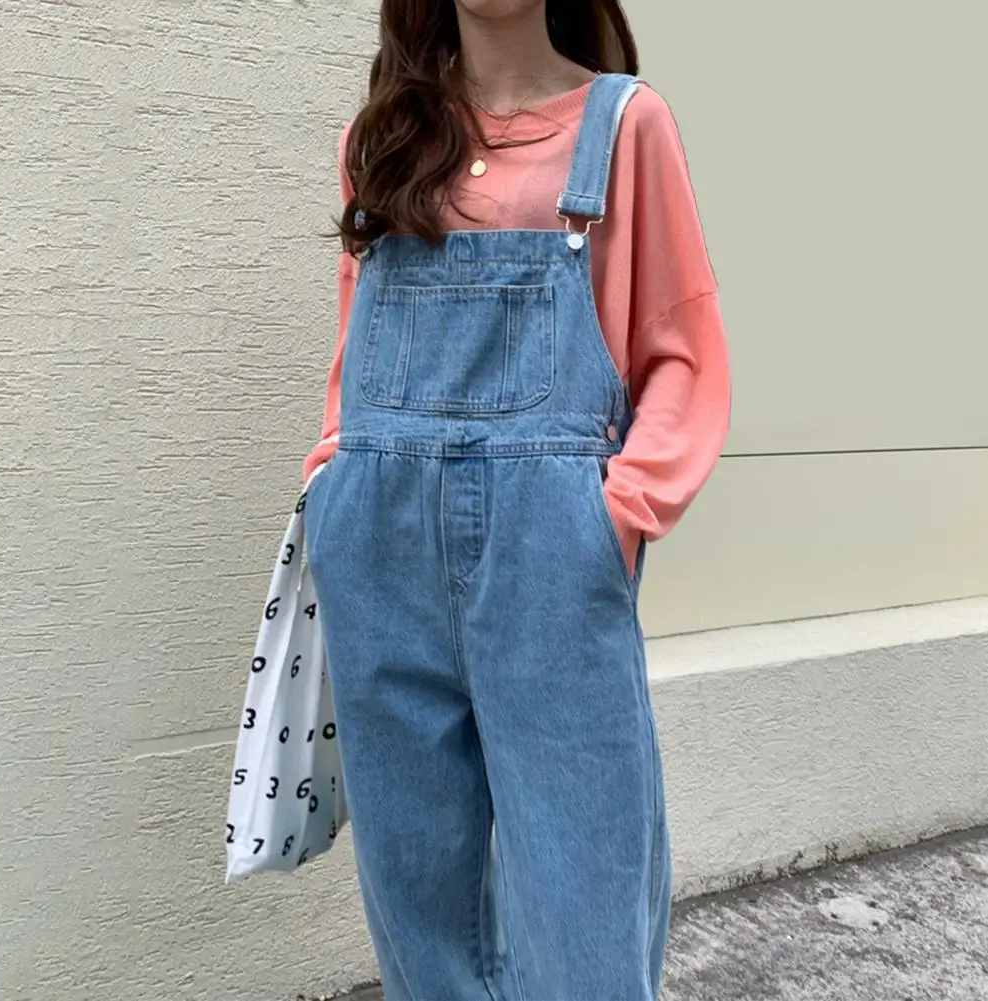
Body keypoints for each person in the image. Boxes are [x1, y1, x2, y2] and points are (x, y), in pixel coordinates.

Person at [301, 1, 730, 998]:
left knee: (585, 897)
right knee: (417, 898)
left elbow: (681, 348)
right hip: (377, 547)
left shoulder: (623, 124)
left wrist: (617, 515)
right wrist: (330, 473)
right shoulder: (381, 140)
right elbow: (355, 343)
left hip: (551, 550)